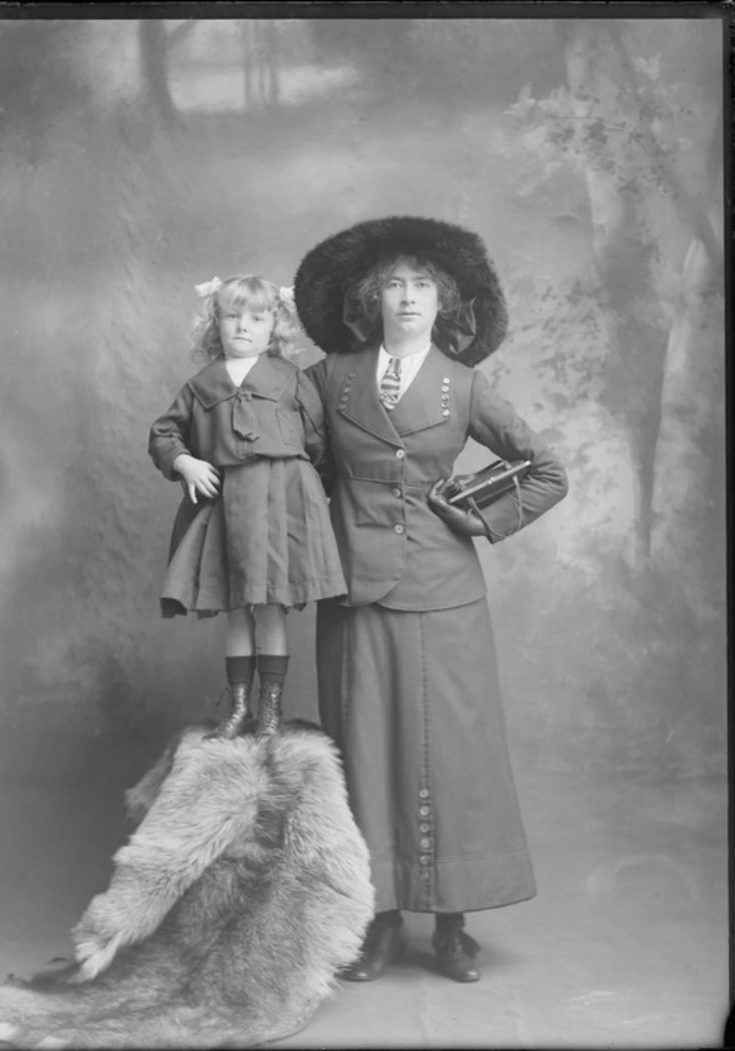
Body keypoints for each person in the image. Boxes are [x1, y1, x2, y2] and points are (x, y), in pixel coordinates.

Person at [293, 216, 569, 983]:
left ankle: (451, 924)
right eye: (393, 283)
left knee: (450, 755)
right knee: (364, 751)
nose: (407, 296)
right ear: (367, 298)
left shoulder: (465, 383)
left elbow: (546, 469)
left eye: (422, 284)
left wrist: (480, 516)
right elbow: (286, 450)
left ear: (444, 302)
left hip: (445, 593)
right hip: (353, 591)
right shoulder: (328, 376)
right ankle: (376, 921)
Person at [148, 275, 347, 739]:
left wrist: (311, 498)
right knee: (237, 607)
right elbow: (163, 433)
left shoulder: (291, 380)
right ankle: (238, 708)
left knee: (271, 606)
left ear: (274, 325)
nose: (243, 326)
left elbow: (319, 444)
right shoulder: (201, 386)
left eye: (257, 318)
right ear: (215, 323)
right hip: (225, 507)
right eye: (232, 316)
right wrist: (185, 462)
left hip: (279, 507)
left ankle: (271, 710)